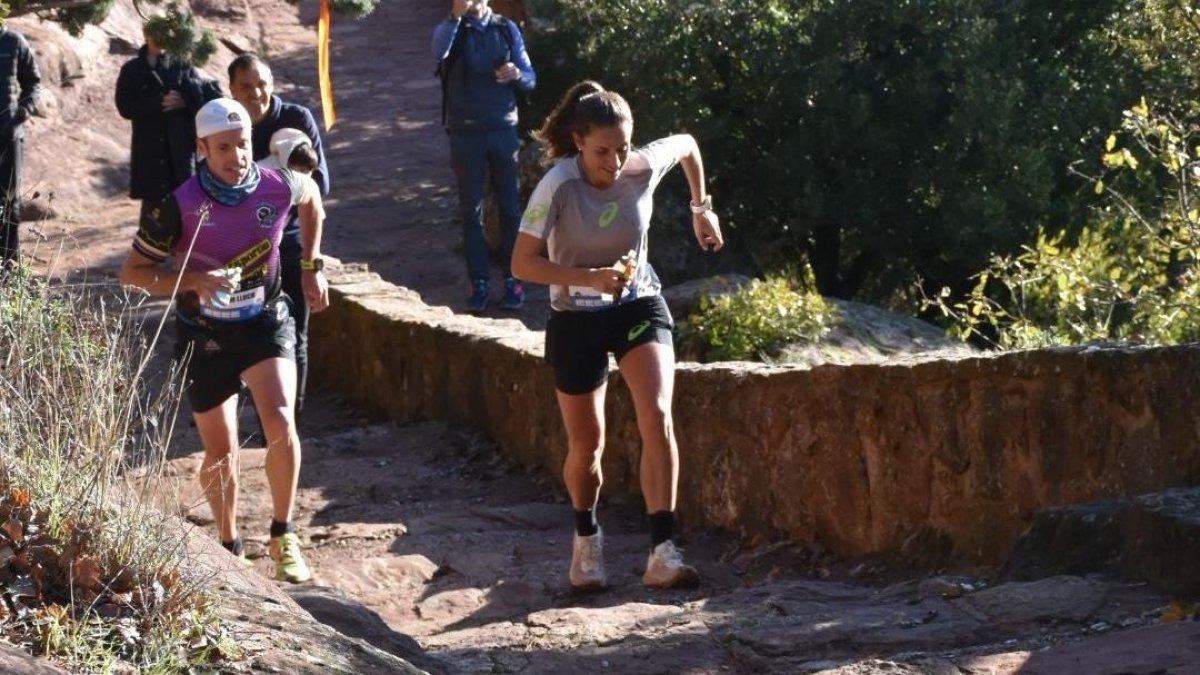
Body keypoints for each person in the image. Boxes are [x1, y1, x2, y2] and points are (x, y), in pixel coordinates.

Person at [511, 81, 724, 590]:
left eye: (623, 148)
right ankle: (586, 543)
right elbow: (522, 264)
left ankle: (662, 551)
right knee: (587, 445)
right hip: (575, 316)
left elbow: (689, 145)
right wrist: (588, 278)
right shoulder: (557, 186)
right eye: (603, 151)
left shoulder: (642, 168)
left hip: (637, 304)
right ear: (579, 141)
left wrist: (701, 209)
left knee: (658, 415)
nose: (614, 161)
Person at [118, 98, 329, 583]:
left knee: (281, 422)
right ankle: (230, 544)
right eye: (223, 148)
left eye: (242, 145)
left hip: (265, 322)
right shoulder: (179, 204)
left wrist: (311, 263)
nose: (236, 156)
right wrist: (192, 278)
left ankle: (283, 534)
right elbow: (132, 273)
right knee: (221, 449)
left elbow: (312, 196)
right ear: (201, 148)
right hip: (205, 332)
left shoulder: (276, 185)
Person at [229, 53, 329, 418]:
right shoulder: (227, 128)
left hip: (288, 245)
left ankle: (289, 424)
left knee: (294, 335)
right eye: (246, 86)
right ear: (232, 89)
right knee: (247, 335)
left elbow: (319, 185)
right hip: (239, 251)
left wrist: (312, 264)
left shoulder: (296, 119)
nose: (256, 93)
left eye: (262, 84)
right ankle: (259, 418)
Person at [431, 0, 535, 312]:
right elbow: (438, 51)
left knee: (511, 209)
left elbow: (531, 78)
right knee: (470, 210)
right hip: (465, 132)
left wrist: (516, 74)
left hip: (503, 129)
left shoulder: (505, 28)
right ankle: (478, 282)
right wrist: (455, 16)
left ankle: (514, 279)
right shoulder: (452, 28)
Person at [115, 26, 221, 225]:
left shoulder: (182, 65)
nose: (161, 37)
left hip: (179, 147)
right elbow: (124, 106)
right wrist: (157, 102)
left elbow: (202, 101)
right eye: (156, 32)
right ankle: (149, 252)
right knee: (152, 212)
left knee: (187, 203)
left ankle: (186, 252)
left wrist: (184, 100)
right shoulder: (131, 69)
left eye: (165, 32)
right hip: (149, 148)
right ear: (146, 34)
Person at [0, 20, 40, 269]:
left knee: (9, 202)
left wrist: (24, 110)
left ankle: (9, 268)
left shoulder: (14, 41)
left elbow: (34, 82)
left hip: (9, 135)